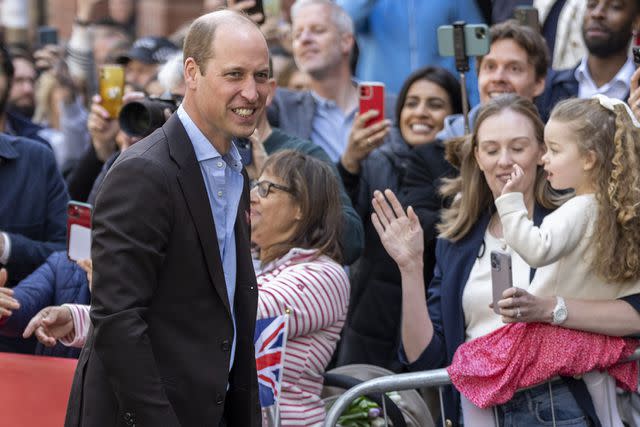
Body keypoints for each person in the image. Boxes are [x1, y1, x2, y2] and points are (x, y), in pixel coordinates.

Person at [26, 150, 351, 427]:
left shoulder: (323, 276)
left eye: (267, 189)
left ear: (302, 208)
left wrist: (117, 286)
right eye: (255, 184)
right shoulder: (246, 259)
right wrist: (80, 317)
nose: (251, 195)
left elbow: (221, 313)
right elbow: (181, 313)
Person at [372, 94, 640, 426]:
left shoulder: (573, 220)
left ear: (542, 152)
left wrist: (550, 309)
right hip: (483, 406)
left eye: (518, 147)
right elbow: (427, 360)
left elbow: (635, 312)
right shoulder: (458, 241)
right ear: (477, 157)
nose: (504, 161)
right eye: (492, 149)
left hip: (560, 402)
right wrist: (410, 267)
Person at [64, 10, 265, 426]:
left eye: (261, 76)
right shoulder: (143, 171)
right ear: (192, 72)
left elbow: (225, 304)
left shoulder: (235, 170)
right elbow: (118, 321)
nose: (252, 91)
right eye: (234, 75)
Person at [336, 66, 463, 370]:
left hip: (431, 321)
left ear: (454, 115)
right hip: (371, 319)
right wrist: (350, 163)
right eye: (411, 103)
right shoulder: (377, 159)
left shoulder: (464, 173)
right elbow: (342, 229)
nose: (420, 113)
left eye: (435, 105)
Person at [267, 0, 395, 163]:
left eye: (318, 30)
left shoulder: (391, 108)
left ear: (346, 41)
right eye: (297, 34)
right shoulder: (283, 107)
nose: (304, 39)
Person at [336, 0, 485, 104]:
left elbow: (475, 48)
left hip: (441, 101)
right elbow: (340, 24)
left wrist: (474, 102)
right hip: (380, 102)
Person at [537, 0, 640, 121]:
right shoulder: (548, 87)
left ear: (636, 21)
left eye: (615, 7)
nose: (597, 13)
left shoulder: (637, 91)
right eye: (592, 5)